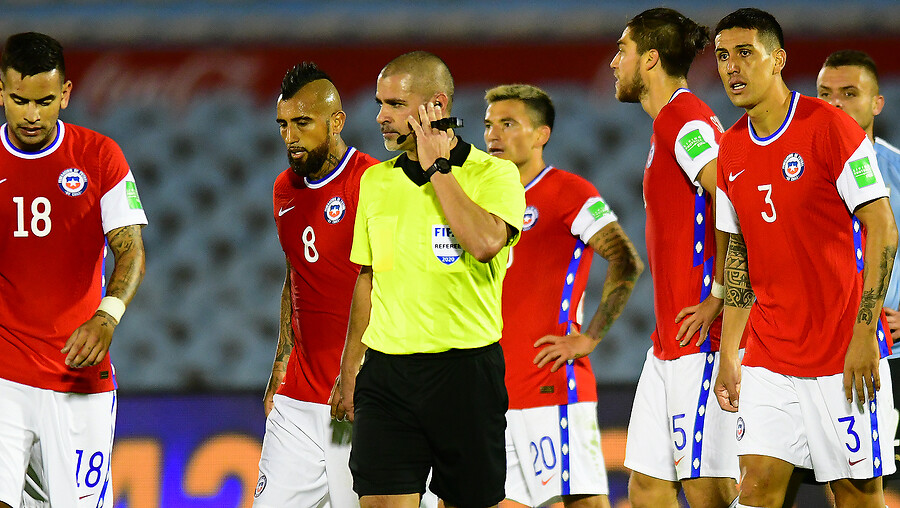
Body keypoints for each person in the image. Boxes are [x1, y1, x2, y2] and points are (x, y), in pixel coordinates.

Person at [713, 8, 898, 507]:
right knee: (754, 489)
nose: (732, 67)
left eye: (745, 53)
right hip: (770, 357)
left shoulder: (831, 128)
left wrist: (864, 334)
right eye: (723, 56)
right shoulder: (728, 151)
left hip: (841, 352)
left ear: (779, 60)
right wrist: (731, 351)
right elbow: (738, 258)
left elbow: (882, 227)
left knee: (856, 496)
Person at [329, 51, 525, 508]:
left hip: (465, 375)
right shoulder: (376, 182)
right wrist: (349, 370)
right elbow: (367, 278)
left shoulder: (495, 174)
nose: (380, 117)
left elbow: (483, 242)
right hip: (387, 375)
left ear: (436, 105)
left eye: (395, 105)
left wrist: (439, 169)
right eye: (380, 103)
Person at [0, 32, 147, 507]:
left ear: (65, 93)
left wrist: (107, 315)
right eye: (19, 100)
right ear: (1, 91)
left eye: (45, 100)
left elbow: (131, 252)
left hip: (77, 378)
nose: (32, 114)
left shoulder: (100, 157)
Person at [483, 84, 643, 508]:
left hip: (550, 383)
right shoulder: (479, 201)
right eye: (489, 125)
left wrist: (588, 338)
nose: (493, 135)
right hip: (494, 388)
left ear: (542, 135)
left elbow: (626, 260)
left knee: (582, 502)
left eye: (508, 123)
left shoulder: (569, 191)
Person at [609, 8, 740, 508]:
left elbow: (729, 191)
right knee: (646, 485)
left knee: (708, 490)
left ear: (651, 60)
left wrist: (721, 295)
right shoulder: (672, 121)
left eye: (622, 50)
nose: (613, 62)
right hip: (668, 344)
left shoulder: (683, 118)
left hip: (699, 341)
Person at [252, 62, 379, 508]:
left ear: (336, 122)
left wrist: (360, 374)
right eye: (283, 124)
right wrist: (281, 362)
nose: (290, 137)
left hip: (358, 401)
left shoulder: (373, 182)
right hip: (298, 401)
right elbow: (296, 276)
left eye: (302, 124)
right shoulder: (283, 190)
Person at [817, 50, 900, 342]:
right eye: (824, 93)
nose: (835, 103)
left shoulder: (897, 170)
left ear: (877, 104)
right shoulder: (799, 171)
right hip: (820, 345)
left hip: (889, 346)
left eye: (849, 93)